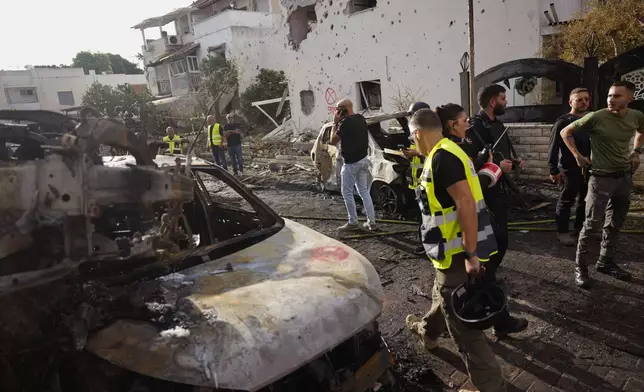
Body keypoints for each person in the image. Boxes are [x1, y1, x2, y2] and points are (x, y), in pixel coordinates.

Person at [406, 103, 526, 350]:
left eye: (411, 137)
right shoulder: (450, 151)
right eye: (464, 121)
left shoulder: (443, 157)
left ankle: (490, 383)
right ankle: (427, 333)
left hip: (456, 251)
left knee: (464, 331)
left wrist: (470, 254)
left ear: (417, 134)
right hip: (451, 249)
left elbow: (466, 204)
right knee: (443, 293)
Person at [560, 81, 644, 288]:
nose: (610, 100)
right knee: (591, 225)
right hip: (600, 179)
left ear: (629, 99)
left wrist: (636, 152)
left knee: (615, 223)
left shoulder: (636, 116)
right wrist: (577, 156)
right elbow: (565, 132)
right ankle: (581, 268)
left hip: (624, 178)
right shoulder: (596, 116)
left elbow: (641, 132)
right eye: (609, 95)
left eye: (616, 96)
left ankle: (605, 261)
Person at [547, 88, 591, 246]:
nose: (583, 102)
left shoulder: (591, 119)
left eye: (586, 99)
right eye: (579, 99)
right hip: (569, 168)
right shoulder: (563, 122)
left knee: (586, 200)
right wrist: (553, 169)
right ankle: (562, 232)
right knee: (566, 200)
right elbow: (553, 147)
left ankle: (580, 229)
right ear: (570, 102)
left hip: (589, 167)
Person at [330, 98, 378, 233]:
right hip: (363, 160)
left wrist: (335, 123)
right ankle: (372, 222)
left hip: (351, 163)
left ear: (343, 109)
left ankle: (353, 222)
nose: (337, 112)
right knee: (364, 191)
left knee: (346, 192)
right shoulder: (361, 119)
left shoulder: (344, 123)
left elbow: (333, 141)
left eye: (338, 109)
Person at [402, 101, 431, 255]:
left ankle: (427, 246)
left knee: (426, 218)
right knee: (421, 218)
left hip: (427, 184)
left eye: (411, 115)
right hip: (417, 183)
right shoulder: (416, 132)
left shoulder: (429, 132)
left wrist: (416, 153)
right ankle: (424, 244)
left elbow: (431, 152)